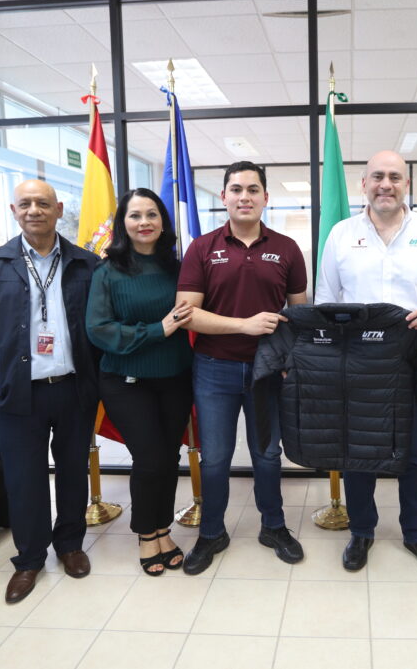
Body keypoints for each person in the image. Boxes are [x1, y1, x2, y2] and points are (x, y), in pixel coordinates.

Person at [316, 150, 417, 574]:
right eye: (377, 176)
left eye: (395, 177)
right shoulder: (342, 234)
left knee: (415, 455)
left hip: (413, 363)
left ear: (406, 185)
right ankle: (361, 531)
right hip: (356, 365)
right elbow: (326, 298)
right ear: (363, 184)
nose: (386, 184)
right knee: (357, 454)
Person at [0, 179, 100, 603]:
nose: (34, 210)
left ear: (59, 210)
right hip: (16, 394)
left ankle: (71, 545)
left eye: (43, 203)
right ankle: (29, 559)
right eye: (26, 204)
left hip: (74, 388)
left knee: (74, 471)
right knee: (25, 480)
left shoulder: (87, 265)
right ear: (13, 210)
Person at [175, 160, 308, 575]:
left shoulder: (287, 248)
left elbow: (300, 314)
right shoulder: (202, 248)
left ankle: (274, 525)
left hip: (268, 371)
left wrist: (289, 360)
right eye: (236, 189)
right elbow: (186, 315)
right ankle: (212, 532)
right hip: (214, 369)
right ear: (224, 198)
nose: (244, 196)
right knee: (215, 458)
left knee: (268, 455)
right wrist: (244, 325)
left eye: (253, 189)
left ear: (266, 197)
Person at [85, 188, 193, 576]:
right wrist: (157, 330)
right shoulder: (107, 271)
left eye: (152, 214)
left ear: (163, 221)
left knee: (168, 457)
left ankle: (163, 528)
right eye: (135, 215)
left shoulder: (179, 269)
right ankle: (147, 534)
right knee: (148, 459)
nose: (144, 222)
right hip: (126, 381)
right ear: (123, 224)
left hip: (176, 378)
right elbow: (98, 330)